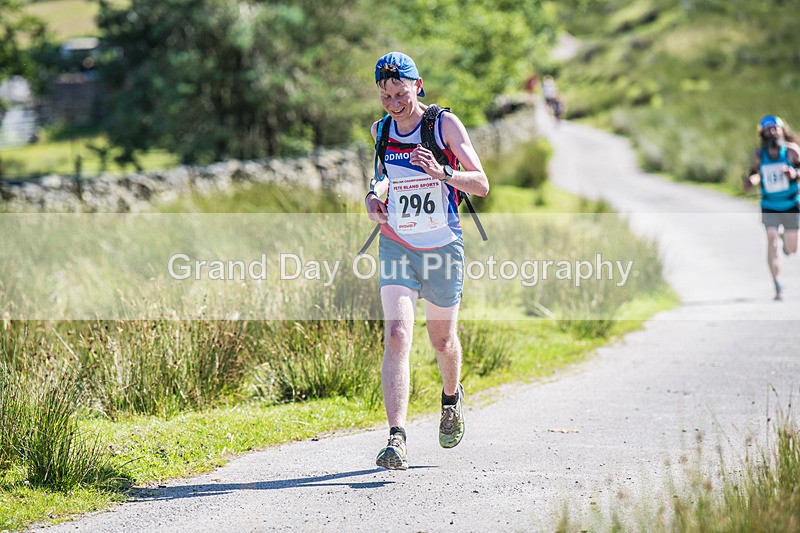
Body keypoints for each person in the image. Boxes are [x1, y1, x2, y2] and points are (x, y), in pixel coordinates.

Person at [365, 52, 489, 470]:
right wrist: (372, 198)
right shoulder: (381, 130)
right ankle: (395, 437)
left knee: (441, 341)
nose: (394, 104)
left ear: (417, 85)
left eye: (400, 93)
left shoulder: (443, 125)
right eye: (385, 96)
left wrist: (443, 173)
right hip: (396, 242)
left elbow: (482, 184)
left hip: (442, 246)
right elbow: (382, 178)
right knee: (398, 333)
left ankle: (451, 400)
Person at [744, 115, 800, 300]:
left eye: (776, 128)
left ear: (783, 131)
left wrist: (794, 173)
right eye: (768, 129)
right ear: (763, 133)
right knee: (772, 240)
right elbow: (755, 173)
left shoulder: (791, 151)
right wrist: (752, 180)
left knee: (792, 249)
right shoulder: (759, 155)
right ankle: (777, 284)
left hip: (791, 203)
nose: (773, 131)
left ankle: (787, 238)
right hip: (769, 205)